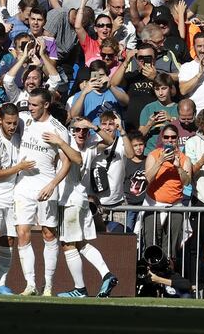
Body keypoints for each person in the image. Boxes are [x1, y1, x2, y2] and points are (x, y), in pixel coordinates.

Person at [42, 116, 119, 298]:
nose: (81, 133)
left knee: (68, 244)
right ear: (71, 130)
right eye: (77, 129)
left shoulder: (78, 145)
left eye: (84, 130)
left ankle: (80, 289)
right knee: (81, 244)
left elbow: (107, 142)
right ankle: (107, 275)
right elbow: (108, 141)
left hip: (71, 199)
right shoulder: (85, 144)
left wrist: (92, 126)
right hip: (78, 198)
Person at [14, 88, 70, 296]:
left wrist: (52, 185)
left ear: (46, 105)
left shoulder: (57, 129)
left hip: (46, 186)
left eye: (34, 105)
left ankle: (48, 286)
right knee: (22, 232)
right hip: (23, 186)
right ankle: (30, 284)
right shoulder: (24, 120)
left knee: (48, 233)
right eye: (29, 104)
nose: (30, 108)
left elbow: (67, 163)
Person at [0, 103, 36, 295]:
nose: (12, 126)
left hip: (12, 194)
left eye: (14, 123)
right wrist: (19, 167)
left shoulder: (18, 138)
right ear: (0, 120)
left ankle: (1, 283)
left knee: (8, 240)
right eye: (8, 123)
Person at [142, 124, 192, 258]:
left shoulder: (184, 158)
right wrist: (160, 161)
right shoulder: (153, 155)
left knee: (171, 246)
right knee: (152, 243)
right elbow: (148, 178)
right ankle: (152, 273)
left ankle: (168, 273)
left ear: (177, 139)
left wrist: (178, 167)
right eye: (166, 137)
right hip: (153, 204)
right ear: (162, 138)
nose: (170, 140)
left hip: (175, 207)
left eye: (173, 137)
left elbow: (187, 181)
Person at [185, 108, 204, 289]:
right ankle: (195, 283)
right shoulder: (193, 142)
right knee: (196, 246)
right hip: (200, 200)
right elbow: (188, 173)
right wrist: (201, 162)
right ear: (201, 125)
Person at [70, 60, 129, 126]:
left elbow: (126, 102)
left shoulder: (115, 90)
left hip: (115, 133)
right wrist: (84, 93)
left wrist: (110, 86)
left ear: (107, 75)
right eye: (96, 75)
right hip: (93, 134)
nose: (99, 79)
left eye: (101, 75)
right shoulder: (82, 94)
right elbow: (74, 116)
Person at [139, 73, 178, 155]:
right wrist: (150, 124)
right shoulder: (148, 108)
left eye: (164, 88)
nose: (160, 93)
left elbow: (184, 133)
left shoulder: (178, 108)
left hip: (173, 153)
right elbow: (139, 136)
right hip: (151, 153)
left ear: (170, 88)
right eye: (157, 89)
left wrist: (171, 119)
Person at [75, 0, 113, 66]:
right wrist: (83, 3)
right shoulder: (90, 44)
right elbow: (78, 27)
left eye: (108, 25)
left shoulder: (116, 46)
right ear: (95, 29)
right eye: (101, 25)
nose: (105, 28)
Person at [179, 31, 204, 115]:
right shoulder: (186, 67)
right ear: (194, 47)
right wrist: (199, 74)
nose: (202, 50)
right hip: (196, 115)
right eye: (199, 46)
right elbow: (183, 90)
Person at [124, 132, 148, 231]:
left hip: (145, 204)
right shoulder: (126, 162)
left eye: (141, 144)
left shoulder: (148, 160)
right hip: (130, 204)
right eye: (135, 145)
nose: (138, 148)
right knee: (128, 231)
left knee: (143, 231)